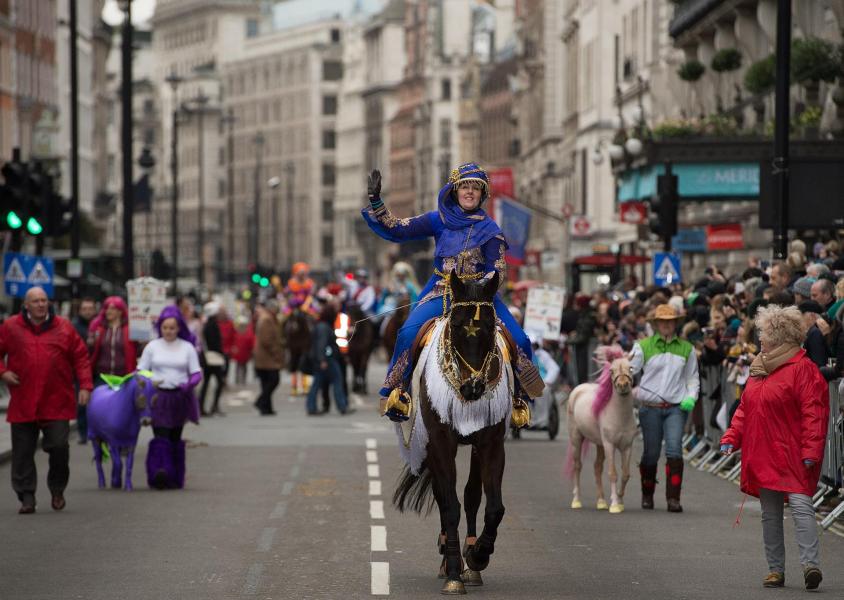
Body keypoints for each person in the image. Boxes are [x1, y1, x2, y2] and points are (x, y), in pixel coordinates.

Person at [361, 163, 543, 421]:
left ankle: (520, 399)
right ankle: (398, 394)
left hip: (481, 297)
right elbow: (397, 227)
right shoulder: (438, 220)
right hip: (441, 291)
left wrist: (482, 286)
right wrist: (376, 201)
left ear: (482, 194)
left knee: (520, 340)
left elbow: (499, 270)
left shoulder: (491, 231)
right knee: (407, 333)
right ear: (454, 191)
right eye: (465, 187)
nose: (470, 192)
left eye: (476, 188)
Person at [720, 305, 828, 590]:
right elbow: (745, 409)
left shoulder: (804, 370)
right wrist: (731, 437)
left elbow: (814, 415)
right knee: (770, 513)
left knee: (802, 507)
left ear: (779, 337)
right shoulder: (760, 368)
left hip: (793, 454)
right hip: (764, 452)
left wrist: (810, 452)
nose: (760, 340)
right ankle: (775, 570)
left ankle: (810, 566)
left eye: (764, 334)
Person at [0, 287, 93, 513]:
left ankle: (57, 488)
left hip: (56, 399)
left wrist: (86, 386)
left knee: (59, 447)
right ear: (26, 305)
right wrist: (3, 372)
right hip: (24, 399)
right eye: (36, 301)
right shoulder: (11, 327)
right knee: (22, 453)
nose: (41, 304)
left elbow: (80, 357)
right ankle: (27, 497)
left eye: (44, 300)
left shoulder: (64, 327)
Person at [630, 303, 700, 512]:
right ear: (656, 324)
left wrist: (691, 397)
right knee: (651, 453)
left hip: (675, 408)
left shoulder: (687, 349)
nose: (666, 325)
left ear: (675, 324)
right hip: (649, 407)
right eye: (662, 321)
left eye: (670, 321)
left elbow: (692, 379)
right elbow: (629, 370)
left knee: (674, 450)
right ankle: (647, 494)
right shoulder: (642, 346)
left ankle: (673, 499)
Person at [137, 306, 202, 490]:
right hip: (158, 397)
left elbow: (196, 373)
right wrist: (150, 381)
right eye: (165, 327)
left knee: (175, 436)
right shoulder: (152, 346)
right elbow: (141, 371)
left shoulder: (187, 347)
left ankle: (175, 476)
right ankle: (159, 472)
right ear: (160, 327)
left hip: (179, 398)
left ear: (179, 328)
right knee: (161, 435)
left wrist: (188, 384)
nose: (168, 331)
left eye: (172, 328)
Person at [306, 304, 351, 415]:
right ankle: (342, 406)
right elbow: (322, 345)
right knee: (337, 381)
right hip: (327, 360)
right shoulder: (324, 327)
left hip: (322, 360)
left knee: (317, 384)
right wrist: (323, 360)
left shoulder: (321, 326)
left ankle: (311, 407)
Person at [71, 297, 98, 444]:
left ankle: (96, 432)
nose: (88, 312)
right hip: (79, 372)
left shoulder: (100, 326)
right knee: (81, 404)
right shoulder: (74, 327)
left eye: (90, 309)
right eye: (84, 309)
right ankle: (83, 433)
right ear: (80, 310)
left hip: (97, 370)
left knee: (98, 404)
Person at [253, 299, 284, 416]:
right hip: (267, 357)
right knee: (273, 380)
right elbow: (267, 340)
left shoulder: (268, 318)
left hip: (264, 357)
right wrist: (276, 352)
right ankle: (261, 401)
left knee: (266, 382)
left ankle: (266, 407)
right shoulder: (267, 319)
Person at [198, 302, 227, 416]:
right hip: (213, 359)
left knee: (207, 383)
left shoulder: (207, 324)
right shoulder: (212, 324)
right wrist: (221, 354)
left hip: (208, 358)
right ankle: (213, 406)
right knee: (219, 382)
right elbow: (215, 343)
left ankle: (202, 406)